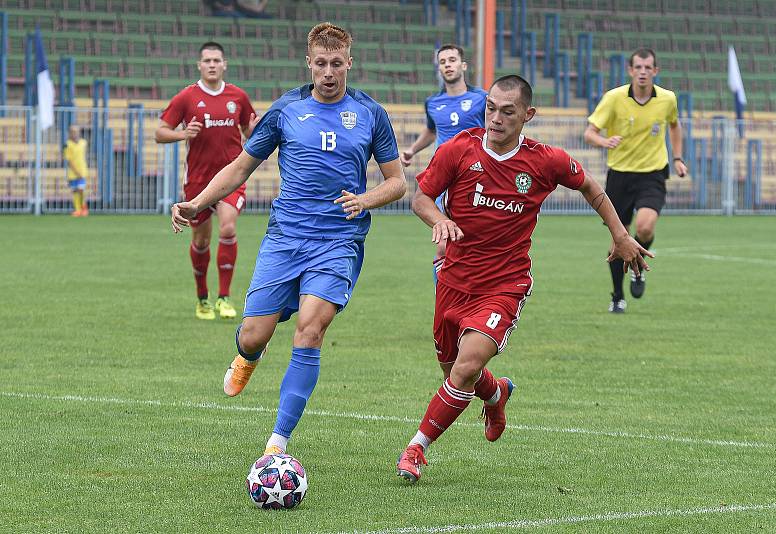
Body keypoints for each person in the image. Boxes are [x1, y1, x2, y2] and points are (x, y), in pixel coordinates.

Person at [395, 75, 652, 484]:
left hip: (504, 285)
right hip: (454, 281)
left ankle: (416, 448)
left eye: (507, 111)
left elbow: (591, 187)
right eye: (491, 108)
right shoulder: (457, 150)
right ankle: (496, 395)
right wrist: (439, 219)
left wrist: (620, 234)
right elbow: (421, 197)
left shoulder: (544, 160)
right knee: (455, 375)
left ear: (527, 115)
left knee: (464, 369)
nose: (495, 117)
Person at [171, 23, 406, 458]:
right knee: (254, 334)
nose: (329, 72)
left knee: (310, 331)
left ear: (349, 63)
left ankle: (276, 445)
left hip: (338, 241)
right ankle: (247, 355)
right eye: (321, 63)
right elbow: (240, 168)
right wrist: (196, 202)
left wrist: (366, 199)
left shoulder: (371, 113)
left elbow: (397, 183)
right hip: (285, 239)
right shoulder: (285, 110)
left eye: (337, 64)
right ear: (309, 63)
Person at [156, 41, 258, 321]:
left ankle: (224, 298)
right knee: (201, 241)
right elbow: (160, 132)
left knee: (227, 228)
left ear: (224, 64)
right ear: (199, 65)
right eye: (207, 60)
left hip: (231, 179)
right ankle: (202, 298)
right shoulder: (187, 97)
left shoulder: (238, 96)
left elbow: (251, 131)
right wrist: (183, 134)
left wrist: (260, 134)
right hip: (198, 182)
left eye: (216, 60)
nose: (212, 64)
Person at [583, 48, 687, 314]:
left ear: (655, 71)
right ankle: (617, 295)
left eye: (647, 67)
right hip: (619, 175)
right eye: (638, 67)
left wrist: (677, 158)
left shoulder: (667, 99)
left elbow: (674, 125)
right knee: (619, 239)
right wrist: (604, 141)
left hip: (653, 173)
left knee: (646, 227)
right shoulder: (614, 98)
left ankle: (638, 268)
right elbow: (589, 133)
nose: (642, 72)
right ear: (630, 71)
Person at [400, 44, 487, 283]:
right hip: (445, 179)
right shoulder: (433, 103)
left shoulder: (482, 98)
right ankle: (445, 304)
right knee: (443, 245)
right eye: (443, 61)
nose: (447, 65)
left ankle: (477, 297)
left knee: (476, 244)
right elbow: (431, 131)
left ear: (463, 65)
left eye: (452, 60)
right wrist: (412, 150)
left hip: (477, 178)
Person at [63, 125, 89, 217]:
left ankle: (84, 208)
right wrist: (76, 171)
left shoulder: (83, 142)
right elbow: (68, 160)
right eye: (72, 131)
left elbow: (83, 156)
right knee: (75, 191)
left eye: (76, 131)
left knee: (81, 189)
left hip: (82, 170)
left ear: (79, 132)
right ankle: (78, 210)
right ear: (70, 133)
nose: (74, 133)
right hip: (72, 171)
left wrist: (82, 169)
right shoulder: (67, 144)